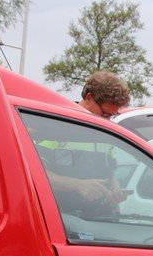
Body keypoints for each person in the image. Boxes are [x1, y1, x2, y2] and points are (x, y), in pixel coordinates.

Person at [42, 71, 132, 209]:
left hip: (101, 217)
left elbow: (110, 174)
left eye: (112, 116)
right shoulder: (56, 124)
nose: (107, 120)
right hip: (65, 218)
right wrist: (77, 185)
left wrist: (115, 190)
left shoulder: (104, 132)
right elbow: (35, 175)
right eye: (105, 113)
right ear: (89, 97)